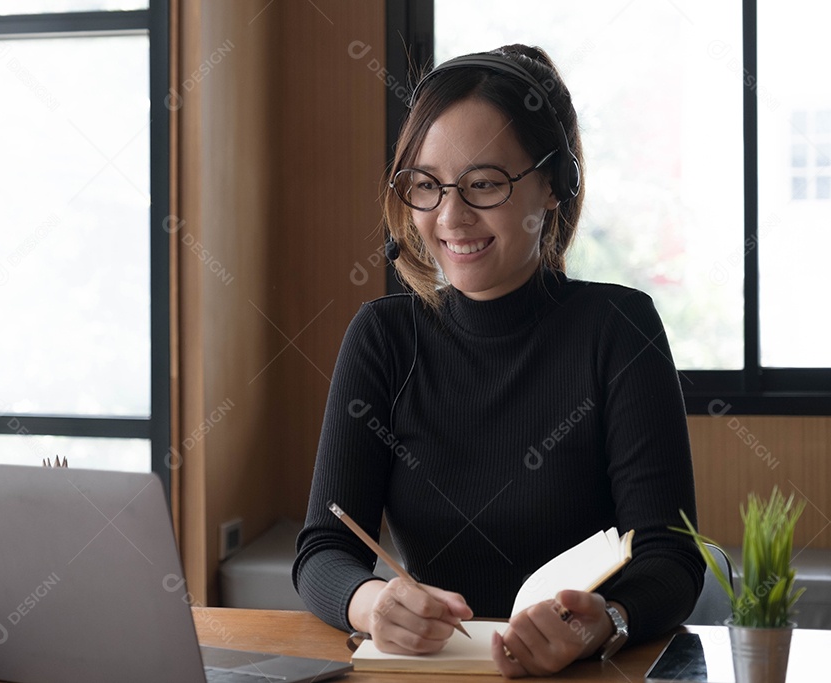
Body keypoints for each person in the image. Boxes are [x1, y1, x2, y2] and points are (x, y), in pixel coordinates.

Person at [292, 44, 704, 678]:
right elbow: (324, 549)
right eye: (426, 185)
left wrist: (605, 620)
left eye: (484, 183)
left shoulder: (618, 329)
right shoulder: (383, 336)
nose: (451, 217)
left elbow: (671, 559)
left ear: (553, 188)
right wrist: (374, 604)